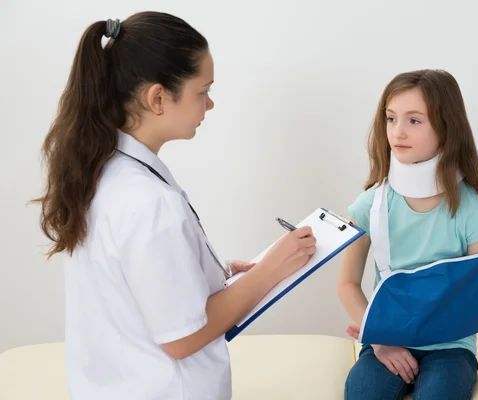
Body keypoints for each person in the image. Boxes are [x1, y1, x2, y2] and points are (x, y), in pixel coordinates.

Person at [33, 11, 316, 400]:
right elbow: (182, 339)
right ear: (158, 97)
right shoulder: (149, 202)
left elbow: (130, 292)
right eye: (203, 91)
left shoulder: (101, 175)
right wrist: (269, 272)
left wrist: (207, 275)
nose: (210, 104)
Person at [337, 69, 478, 399]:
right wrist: (379, 339)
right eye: (391, 118)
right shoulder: (370, 205)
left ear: (447, 128)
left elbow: (476, 299)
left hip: (451, 346)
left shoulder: (472, 211)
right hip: (387, 341)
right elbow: (347, 284)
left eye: (414, 121)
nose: (398, 132)